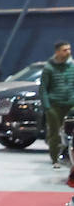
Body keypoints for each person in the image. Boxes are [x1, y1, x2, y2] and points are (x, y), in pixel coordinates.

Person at [39, 40, 74, 169]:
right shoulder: (49, 68)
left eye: (69, 49)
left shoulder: (72, 66)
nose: (68, 52)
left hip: (71, 104)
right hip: (54, 106)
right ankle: (55, 159)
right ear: (57, 52)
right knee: (54, 133)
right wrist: (47, 107)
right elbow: (43, 89)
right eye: (65, 50)